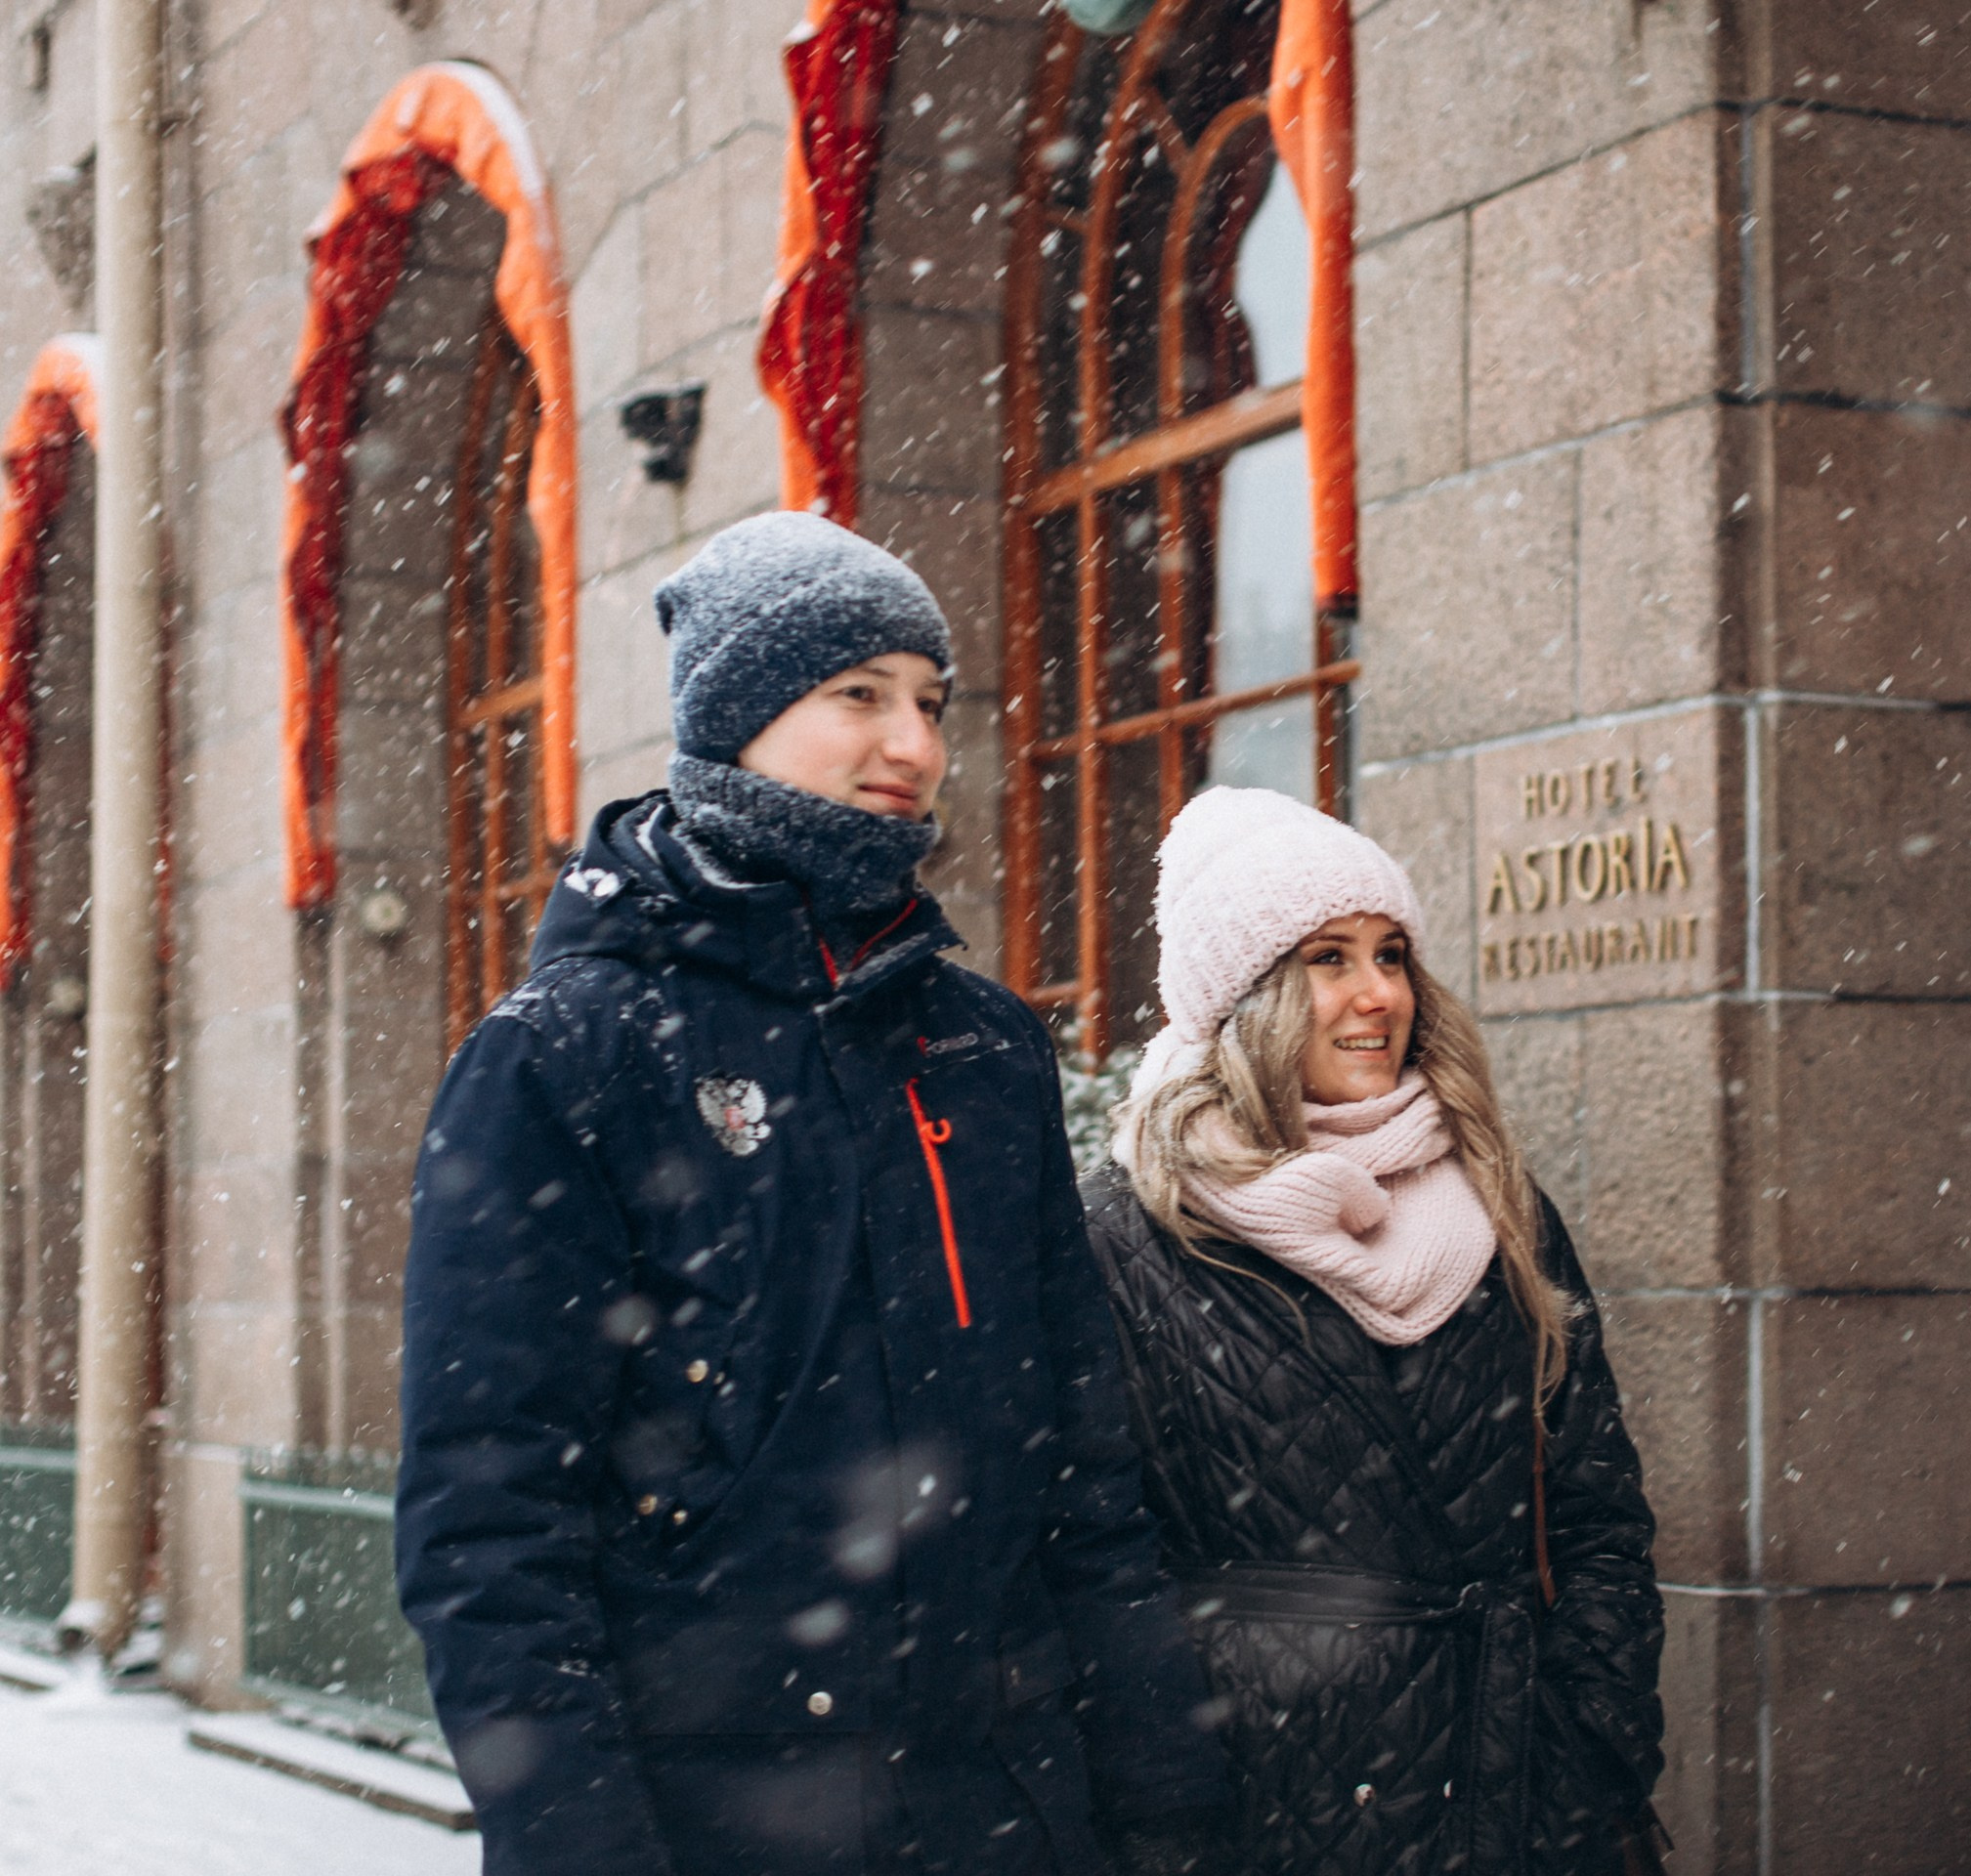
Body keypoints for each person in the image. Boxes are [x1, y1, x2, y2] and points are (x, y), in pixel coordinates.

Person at [396, 513, 1230, 1876]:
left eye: (931, 702)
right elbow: (491, 1532)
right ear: (735, 716)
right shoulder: (567, 1056)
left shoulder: (984, 1046)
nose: (913, 744)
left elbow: (1085, 1475)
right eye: (859, 695)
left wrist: (1160, 1795)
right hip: (722, 1822)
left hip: (1007, 1812)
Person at [1083, 788, 1667, 1876]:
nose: (1376, 995)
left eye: (1391, 954)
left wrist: (1596, 1736)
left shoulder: (1502, 1205)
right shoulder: (1128, 1230)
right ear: (1245, 995)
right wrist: (1163, 1800)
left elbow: (1596, 1512)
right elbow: (1100, 1556)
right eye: (1329, 959)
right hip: (1263, 1804)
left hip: (1510, 1791)